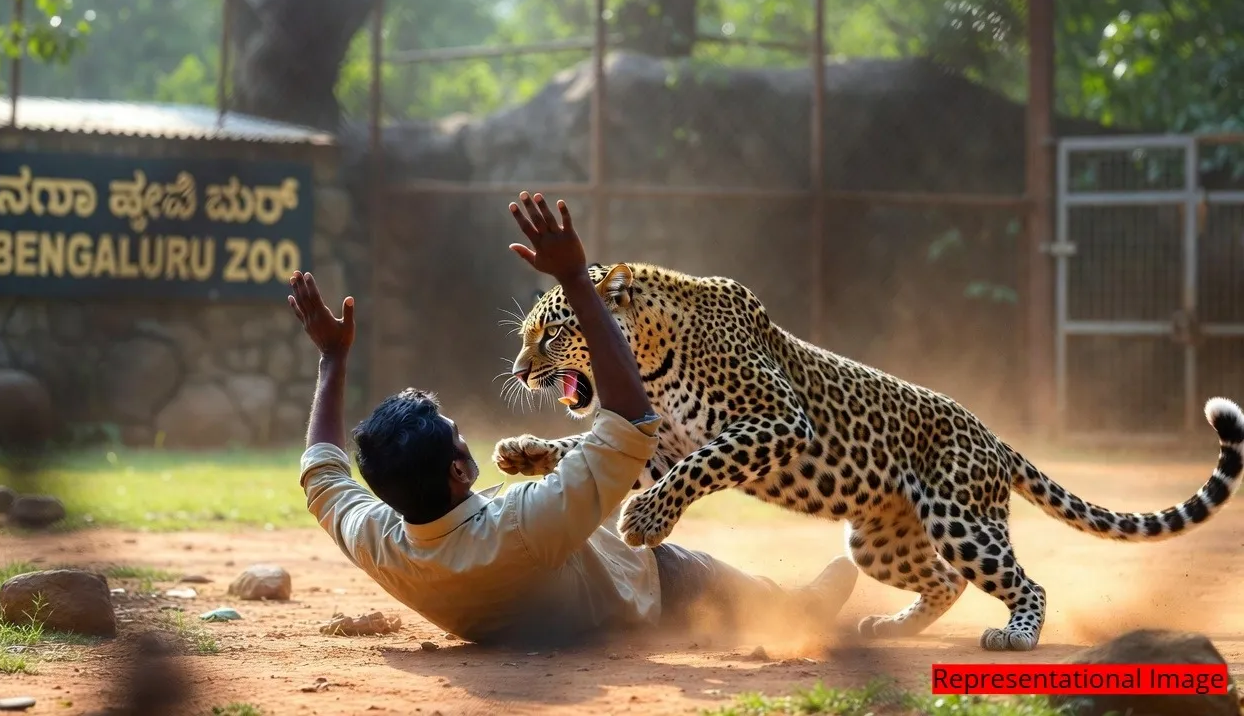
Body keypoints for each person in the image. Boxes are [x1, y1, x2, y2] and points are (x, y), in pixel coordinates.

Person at [289, 191, 858, 648]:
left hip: (521, 613)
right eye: (460, 438)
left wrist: (330, 359)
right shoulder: (521, 525)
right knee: (690, 571)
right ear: (459, 474)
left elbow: (321, 475)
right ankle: (794, 609)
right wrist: (579, 284)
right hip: (645, 597)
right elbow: (633, 422)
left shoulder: (382, 541)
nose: (466, 439)